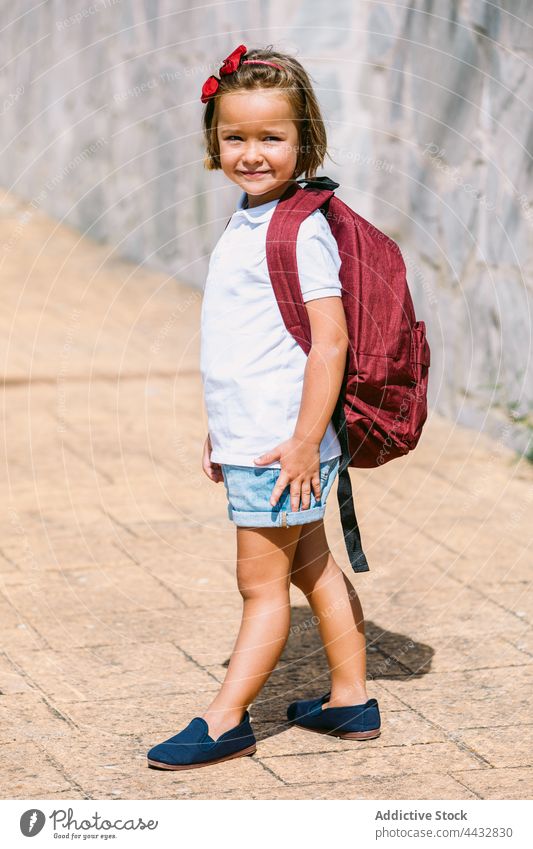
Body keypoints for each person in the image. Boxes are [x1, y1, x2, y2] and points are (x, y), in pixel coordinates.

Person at [147, 44, 381, 772]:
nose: (251, 153)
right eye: (234, 138)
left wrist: (305, 441)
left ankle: (225, 719)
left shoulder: (297, 227)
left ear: (303, 140)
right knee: (310, 564)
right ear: (213, 143)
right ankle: (349, 698)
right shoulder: (251, 218)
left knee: (259, 585)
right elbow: (246, 343)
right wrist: (221, 430)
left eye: (270, 137)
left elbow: (329, 342)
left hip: (282, 446)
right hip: (260, 438)